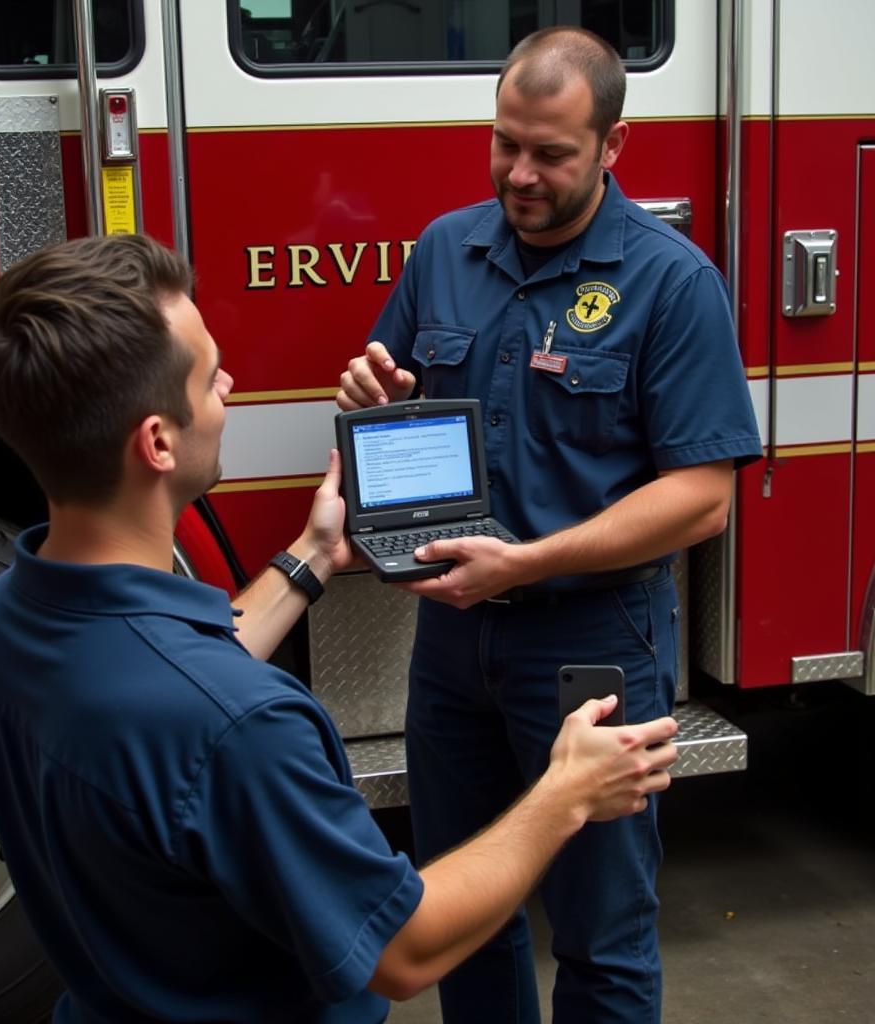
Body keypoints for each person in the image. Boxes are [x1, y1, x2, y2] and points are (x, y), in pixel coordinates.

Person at [0, 232, 678, 1024]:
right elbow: (403, 949)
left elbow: (173, 687)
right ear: (157, 442)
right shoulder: (246, 727)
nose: (228, 381)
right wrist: (565, 792)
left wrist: (317, 552)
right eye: (207, 377)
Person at [336, 26, 763, 1024]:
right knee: (456, 910)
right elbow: (386, 405)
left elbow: (703, 495)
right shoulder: (446, 247)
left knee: (600, 927)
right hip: (450, 642)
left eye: (551, 153)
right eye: (504, 144)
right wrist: (365, 394)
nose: (519, 174)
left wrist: (526, 560)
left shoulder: (670, 282)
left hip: (591, 647)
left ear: (612, 148)